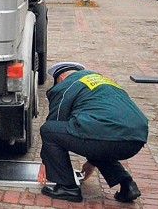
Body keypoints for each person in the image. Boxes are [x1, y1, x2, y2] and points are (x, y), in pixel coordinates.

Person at [37, 61, 148, 203]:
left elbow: (55, 121)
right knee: (91, 134)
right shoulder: (103, 81)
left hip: (104, 136)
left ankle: (67, 187)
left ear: (61, 78)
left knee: (48, 130)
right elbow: (102, 123)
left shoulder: (66, 84)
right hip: (136, 140)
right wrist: (92, 160)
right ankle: (127, 185)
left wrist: (46, 161)